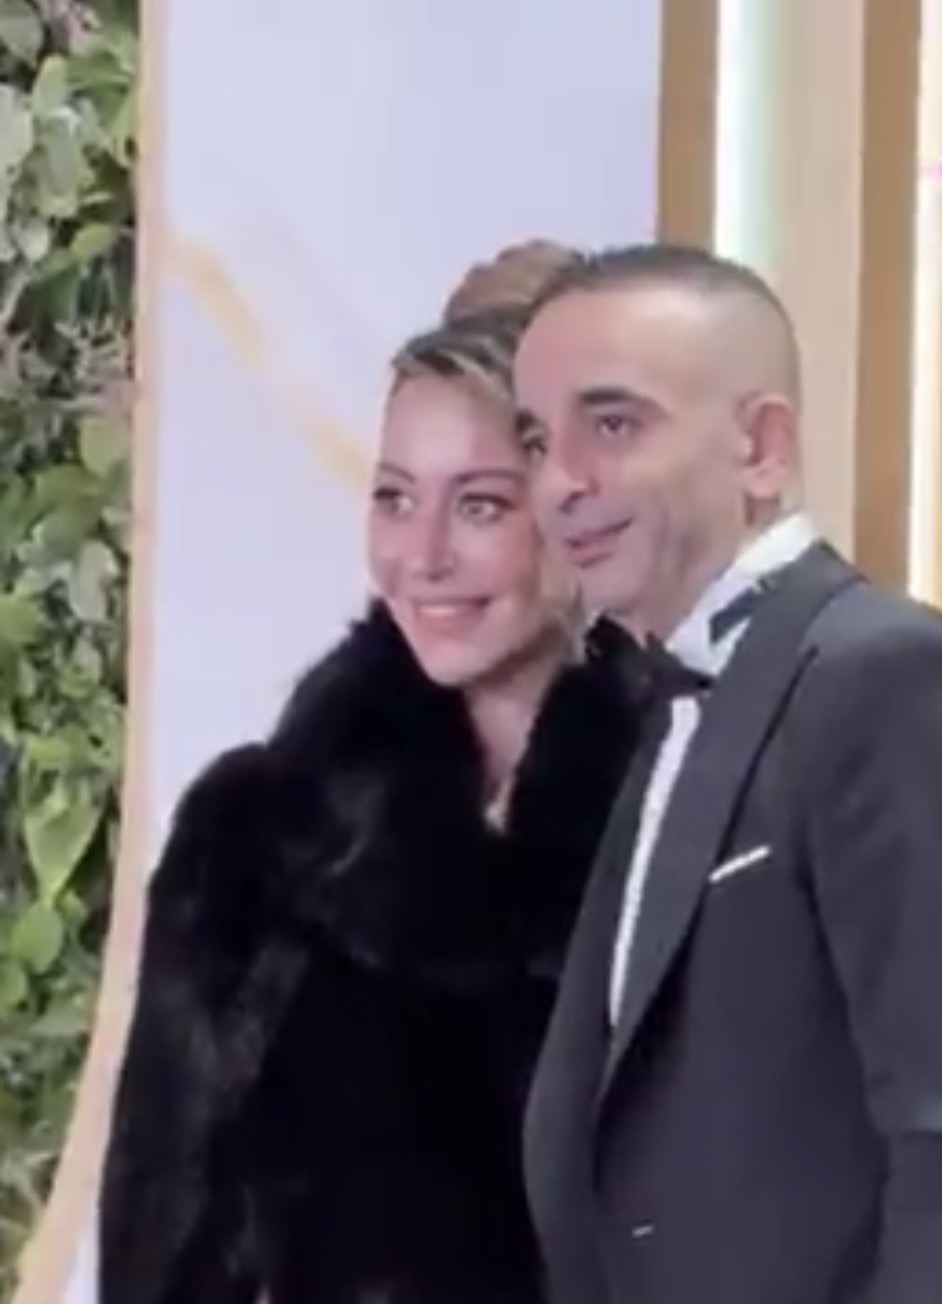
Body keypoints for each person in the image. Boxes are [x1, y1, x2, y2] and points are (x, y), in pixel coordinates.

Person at [97, 243, 650, 1304]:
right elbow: (164, 1244)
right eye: (394, 498)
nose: (422, 554)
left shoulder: (701, 815)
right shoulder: (255, 838)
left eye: (479, 504)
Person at [512, 243, 942, 1304]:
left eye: (615, 425)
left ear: (761, 447)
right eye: (537, 440)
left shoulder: (882, 676)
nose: (560, 482)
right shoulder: (669, 697)